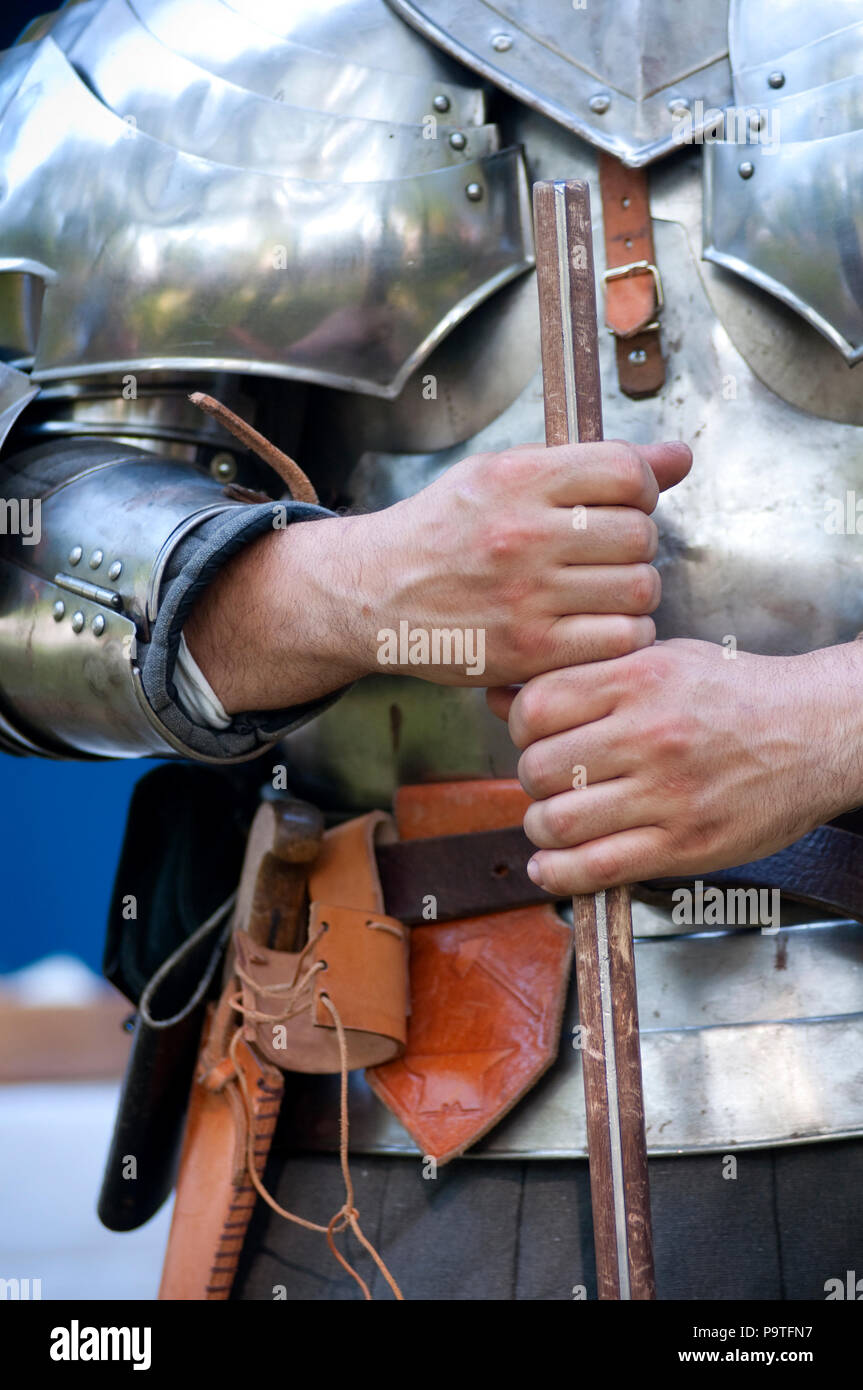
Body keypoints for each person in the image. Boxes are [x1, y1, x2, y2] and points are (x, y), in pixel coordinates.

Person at [0, 0, 861, 1299]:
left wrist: (828, 722)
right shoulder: (208, 50)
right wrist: (357, 583)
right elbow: (28, 557)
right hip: (394, 1130)